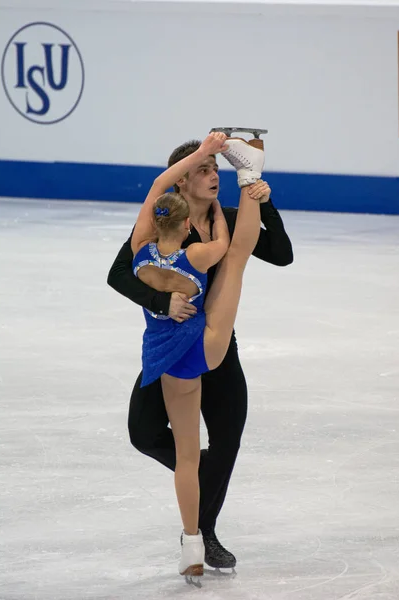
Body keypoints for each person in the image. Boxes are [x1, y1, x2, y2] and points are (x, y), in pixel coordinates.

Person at [107, 131, 293, 572]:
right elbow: (119, 274)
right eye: (205, 171)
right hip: (175, 341)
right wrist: (160, 302)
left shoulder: (225, 215)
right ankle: (199, 481)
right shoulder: (162, 223)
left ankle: (202, 532)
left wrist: (263, 201)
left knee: (226, 439)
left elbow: (282, 254)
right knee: (144, 433)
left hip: (214, 348)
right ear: (181, 185)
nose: (213, 177)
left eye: (215, 170)